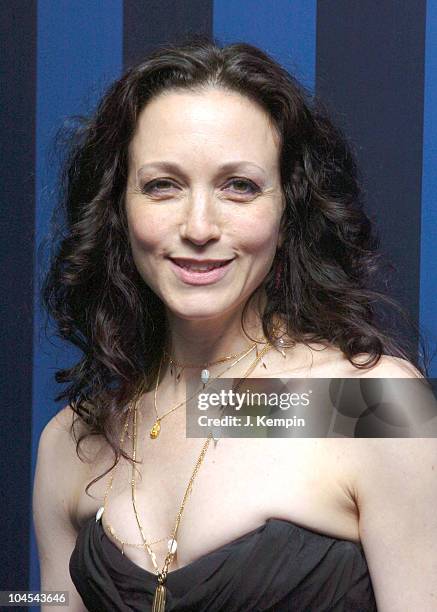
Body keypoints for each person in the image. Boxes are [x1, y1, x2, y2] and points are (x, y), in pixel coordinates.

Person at [33, 39, 436, 611]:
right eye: (162, 185)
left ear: (288, 208)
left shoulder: (374, 404)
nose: (199, 226)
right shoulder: (70, 443)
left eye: (239, 186)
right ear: (118, 209)